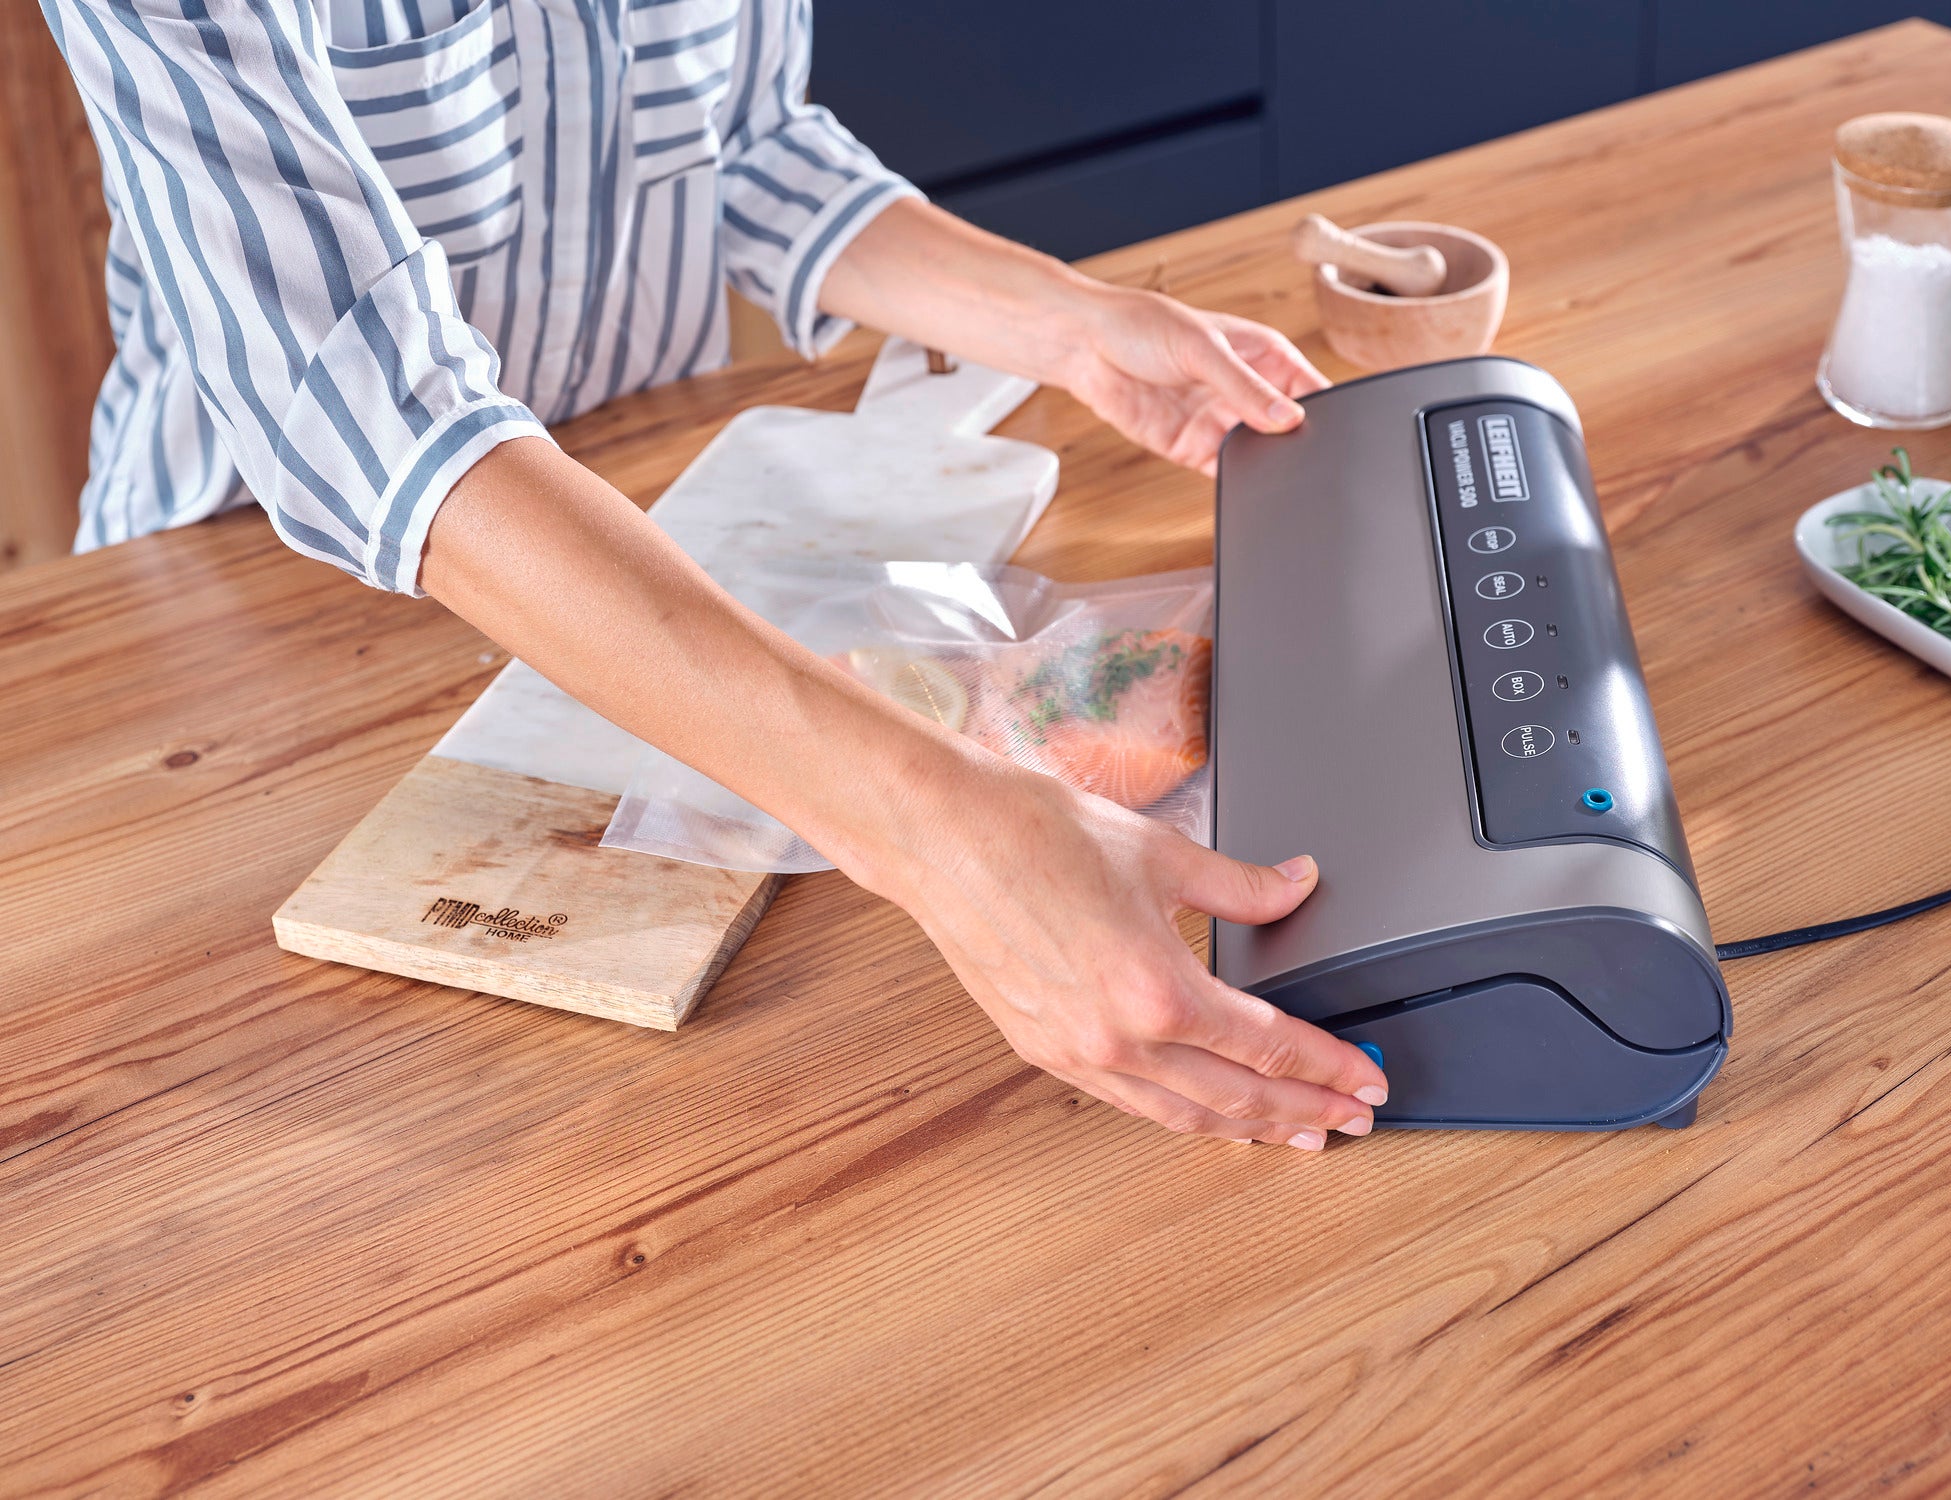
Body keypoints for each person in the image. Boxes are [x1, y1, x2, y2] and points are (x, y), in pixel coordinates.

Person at [42, 0, 1389, 1147]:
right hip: (233, 627)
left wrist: (1076, 327)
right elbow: (366, 413)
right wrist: (932, 824)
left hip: (648, 503)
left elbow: (745, 151)